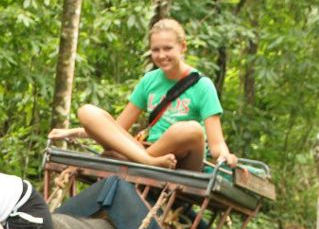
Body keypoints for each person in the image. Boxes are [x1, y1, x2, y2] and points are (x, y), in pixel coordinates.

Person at [47, 19, 237, 172]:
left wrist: (226, 156)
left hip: (182, 160)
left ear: (183, 47)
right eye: (156, 50)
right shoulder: (149, 81)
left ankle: (136, 160)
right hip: (149, 154)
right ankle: (145, 161)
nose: (161, 55)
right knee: (87, 111)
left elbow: (217, 145)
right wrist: (73, 132)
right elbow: (117, 128)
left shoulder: (203, 85)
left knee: (192, 130)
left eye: (168, 48)